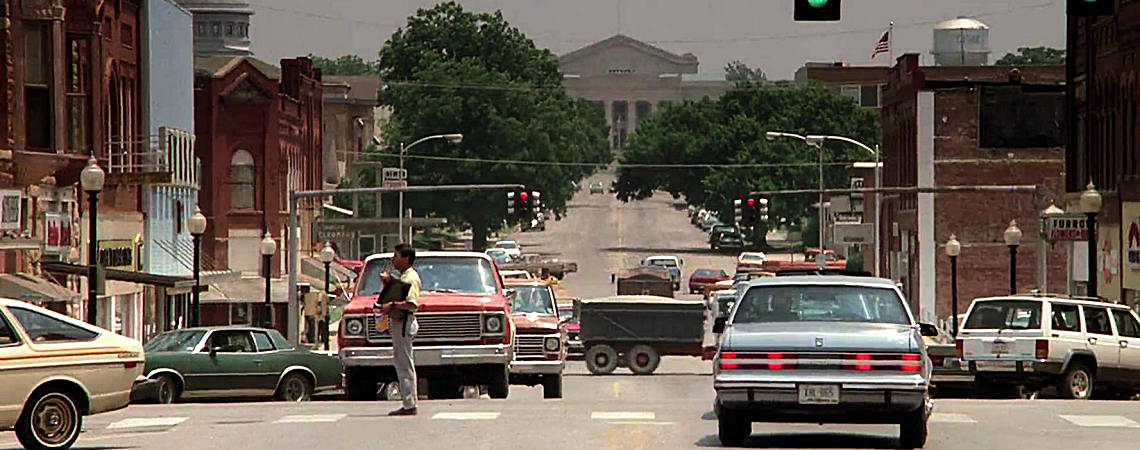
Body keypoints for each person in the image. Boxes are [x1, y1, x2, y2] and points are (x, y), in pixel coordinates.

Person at [379, 243, 421, 416]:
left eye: (396, 256)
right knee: (401, 361)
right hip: (398, 322)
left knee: (404, 364)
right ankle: (408, 401)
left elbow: (411, 303)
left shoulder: (410, 278)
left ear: (406, 258)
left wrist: (392, 305)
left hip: (404, 322)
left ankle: (410, 403)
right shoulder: (403, 277)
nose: (393, 259)